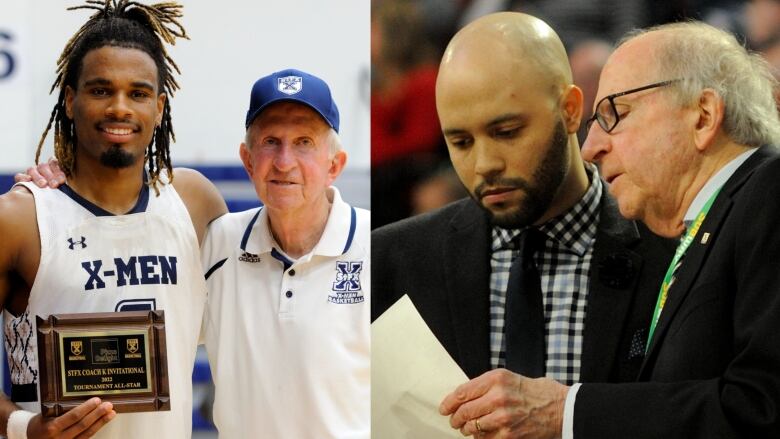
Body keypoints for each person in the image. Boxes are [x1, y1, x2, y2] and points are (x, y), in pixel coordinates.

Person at [441, 20, 780, 438]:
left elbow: (764, 408)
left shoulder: (769, 193)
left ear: (703, 115)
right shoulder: (708, 226)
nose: (590, 147)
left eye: (614, 114)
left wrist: (566, 412)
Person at [372, 11, 674, 436]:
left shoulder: (673, 250)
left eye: (508, 131)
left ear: (570, 111)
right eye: (460, 142)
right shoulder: (389, 264)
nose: (484, 164)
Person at [0, 2, 226, 438]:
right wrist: (22, 426)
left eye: (138, 93)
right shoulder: (21, 218)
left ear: (159, 107)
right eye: (101, 90)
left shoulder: (195, 202)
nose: (119, 108)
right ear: (70, 100)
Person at [200, 69, 370, 438]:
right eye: (271, 141)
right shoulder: (217, 243)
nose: (283, 161)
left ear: (334, 165)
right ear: (248, 160)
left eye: (304, 142)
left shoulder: (377, 246)